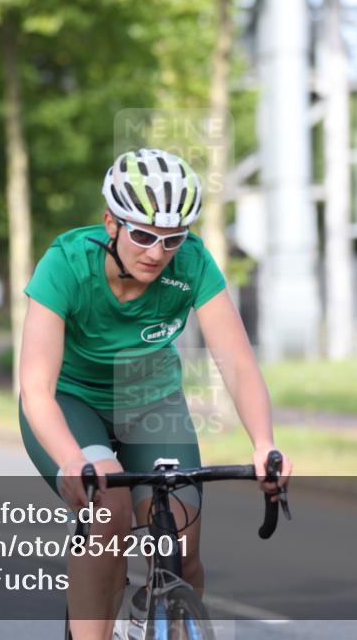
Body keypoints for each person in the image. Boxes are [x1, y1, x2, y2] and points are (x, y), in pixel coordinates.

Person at [18, 148, 292, 639]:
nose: (156, 251)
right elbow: (36, 387)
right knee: (110, 509)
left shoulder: (191, 263)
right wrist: (70, 460)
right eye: (143, 235)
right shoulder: (65, 264)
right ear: (111, 223)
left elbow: (237, 361)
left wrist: (263, 443)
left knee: (183, 548)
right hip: (70, 402)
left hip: (150, 400)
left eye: (172, 238)